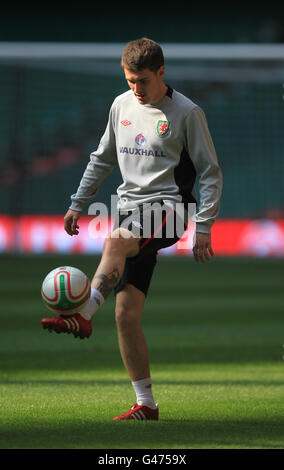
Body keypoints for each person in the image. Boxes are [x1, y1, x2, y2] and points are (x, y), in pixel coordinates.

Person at [41, 37, 223, 421]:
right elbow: (102, 157)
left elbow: (209, 173)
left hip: (171, 209)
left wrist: (203, 225)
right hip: (130, 210)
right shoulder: (121, 105)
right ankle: (146, 404)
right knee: (125, 315)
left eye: (142, 80)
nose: (136, 89)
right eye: (129, 81)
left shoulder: (188, 113)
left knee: (115, 239)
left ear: (161, 72)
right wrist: (78, 201)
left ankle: (84, 311)